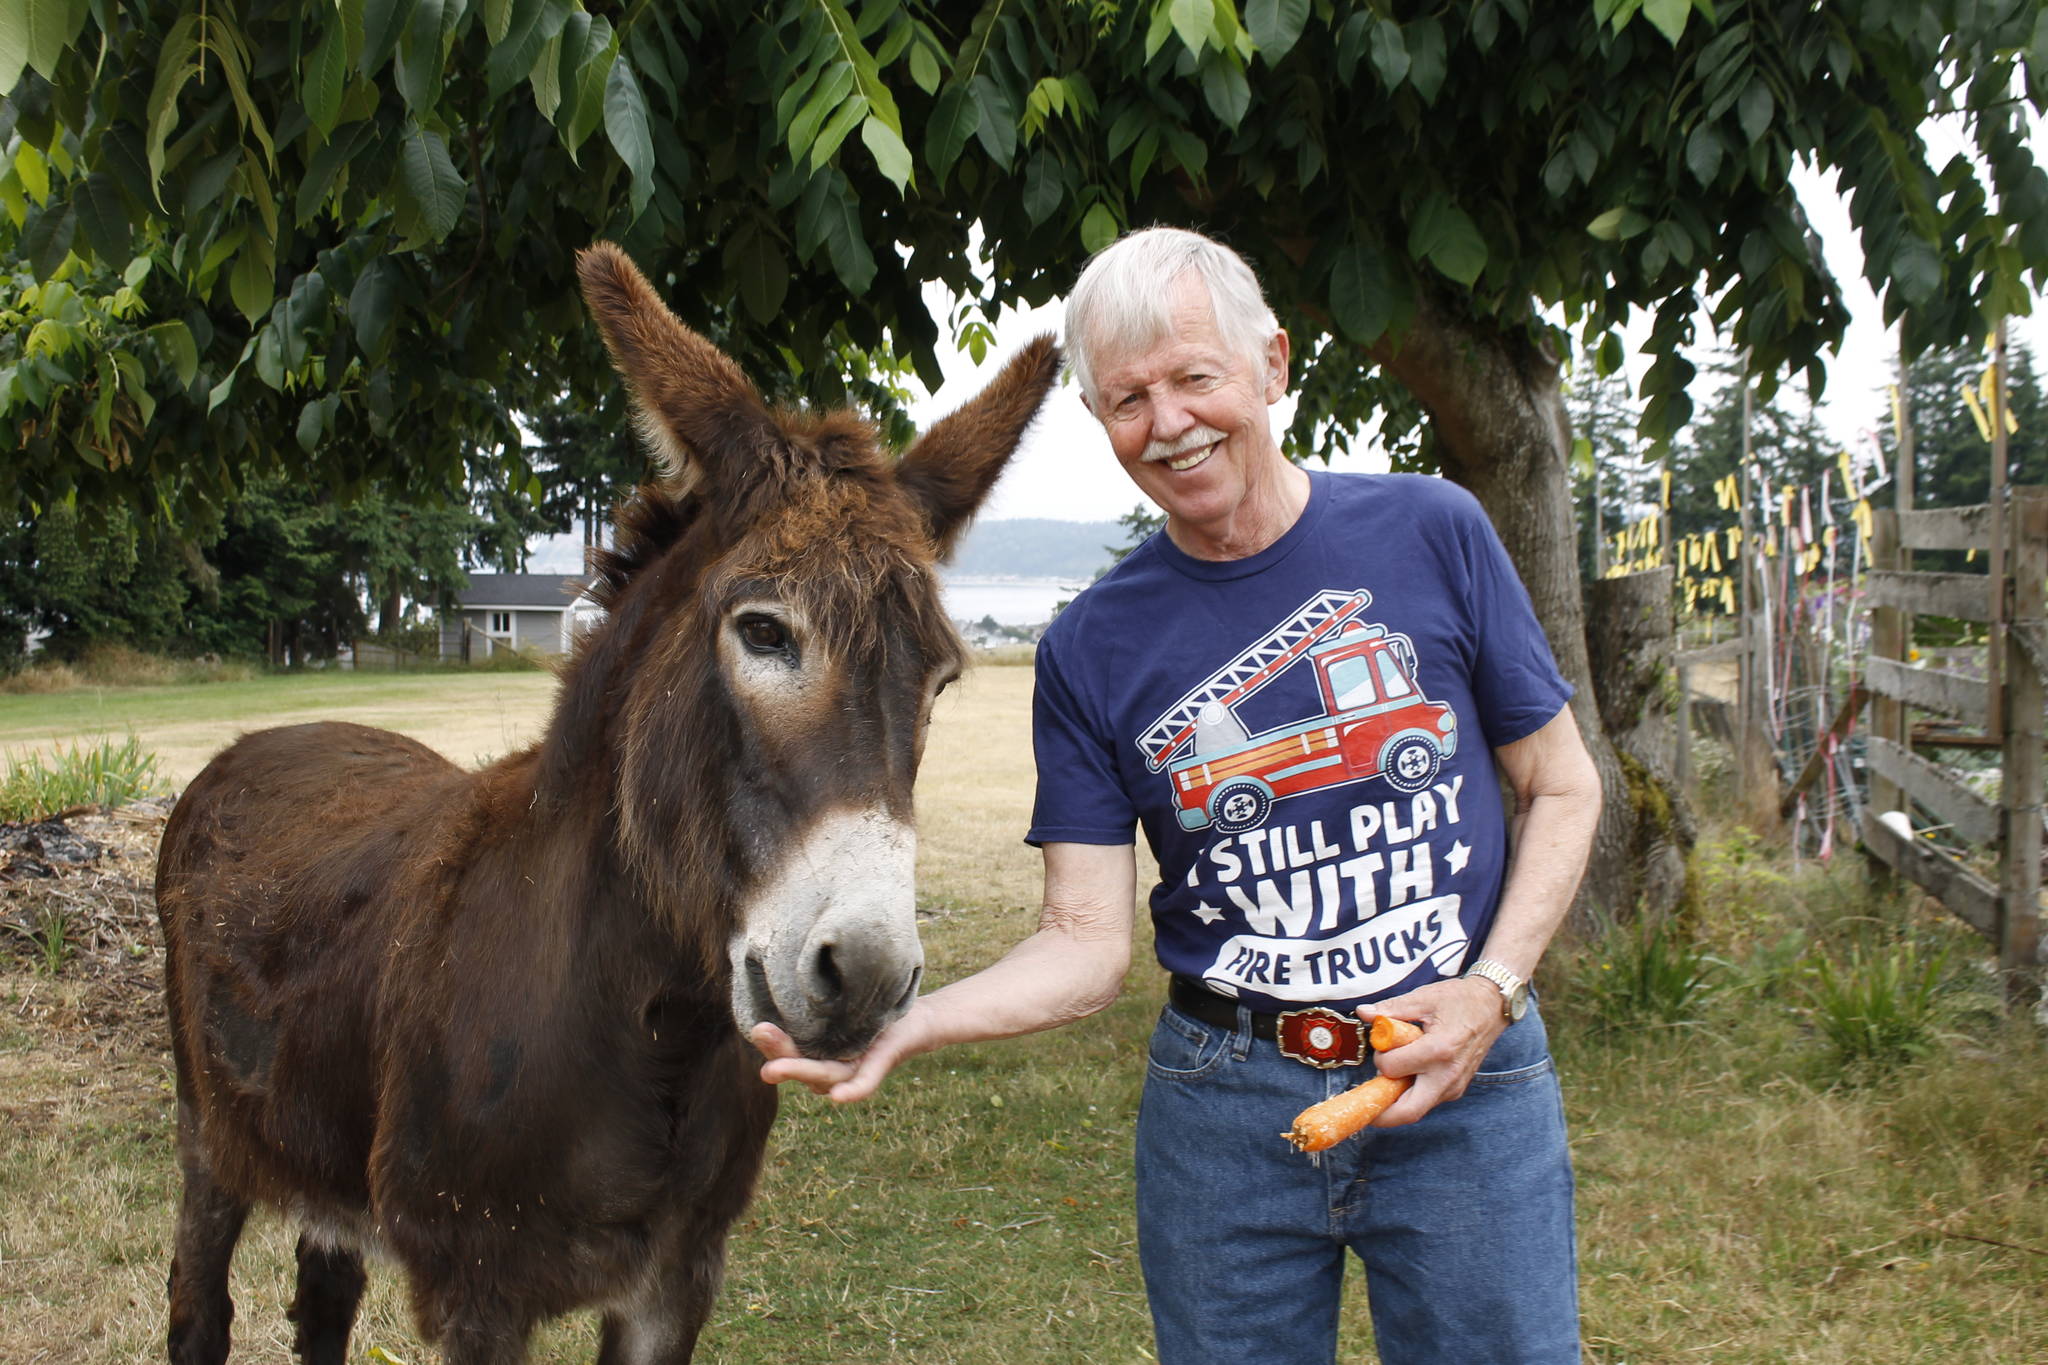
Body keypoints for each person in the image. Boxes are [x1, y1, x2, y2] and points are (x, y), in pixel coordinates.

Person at [753, 226, 1603, 1364]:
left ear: (1272, 368)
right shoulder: (1092, 647)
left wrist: (1491, 990)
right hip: (1225, 1111)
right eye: (1125, 400)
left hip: (1465, 1082)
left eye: (1195, 378)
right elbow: (1083, 940)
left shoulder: (1431, 530)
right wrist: (910, 1023)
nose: (1167, 423)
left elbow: (1558, 784)